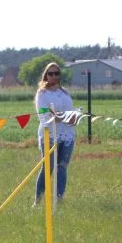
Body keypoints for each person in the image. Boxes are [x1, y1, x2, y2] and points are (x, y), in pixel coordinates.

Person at [33, 62, 78, 207]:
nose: (53, 76)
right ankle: (38, 201)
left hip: (67, 134)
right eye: (50, 73)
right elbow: (44, 115)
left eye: (56, 73)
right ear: (45, 75)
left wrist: (73, 117)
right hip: (49, 134)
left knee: (62, 167)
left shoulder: (64, 92)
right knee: (48, 167)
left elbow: (70, 112)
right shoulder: (42, 94)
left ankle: (59, 200)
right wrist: (63, 117)